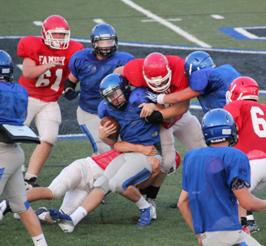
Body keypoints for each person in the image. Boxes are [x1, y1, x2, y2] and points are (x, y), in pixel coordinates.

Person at [48, 73, 162, 232]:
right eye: (109, 96)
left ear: (125, 89)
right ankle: (73, 219)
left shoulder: (139, 96)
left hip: (150, 152)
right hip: (129, 151)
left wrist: (154, 106)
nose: (114, 99)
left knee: (117, 184)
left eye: (116, 93)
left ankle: (146, 208)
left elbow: (166, 107)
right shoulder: (106, 108)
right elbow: (116, 145)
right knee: (102, 183)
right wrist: (103, 136)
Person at [114, 52, 205, 215]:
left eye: (163, 81)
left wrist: (158, 110)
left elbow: (182, 107)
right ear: (144, 76)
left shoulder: (178, 68)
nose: (159, 85)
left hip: (180, 117)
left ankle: (205, 195)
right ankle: (150, 198)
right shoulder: (134, 70)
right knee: (167, 162)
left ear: (169, 72)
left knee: (204, 153)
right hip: (159, 125)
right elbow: (116, 74)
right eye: (153, 83)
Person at [177, 108, 266, 246]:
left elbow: (182, 203)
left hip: (208, 238)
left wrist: (199, 235)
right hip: (228, 236)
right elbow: (247, 203)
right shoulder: (235, 156)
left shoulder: (191, 157)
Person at [17, 15, 84, 188]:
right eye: (56, 34)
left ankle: (29, 179)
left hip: (50, 101)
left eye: (63, 35)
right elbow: (28, 72)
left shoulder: (73, 49)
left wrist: (70, 87)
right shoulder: (34, 44)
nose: (60, 38)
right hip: (27, 97)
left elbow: (76, 73)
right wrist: (47, 65)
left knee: (49, 138)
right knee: (10, 136)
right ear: (45, 34)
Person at [224, 76, 266, 233]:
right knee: (243, 193)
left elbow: (226, 134)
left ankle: (243, 230)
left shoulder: (236, 106)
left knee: (231, 194)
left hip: (254, 162)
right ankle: (248, 219)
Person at [0, 50, 48, 246]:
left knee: (22, 206)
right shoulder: (20, 91)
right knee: (22, 206)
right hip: (15, 152)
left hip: (2, 154)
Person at [63, 23, 134, 154]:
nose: (106, 46)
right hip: (91, 112)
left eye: (110, 41)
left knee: (126, 147)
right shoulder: (81, 59)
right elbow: (70, 80)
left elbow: (137, 84)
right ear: (94, 43)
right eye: (102, 42)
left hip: (118, 111)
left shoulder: (125, 60)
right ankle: (94, 173)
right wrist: (68, 90)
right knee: (104, 149)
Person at [146, 50, 240, 113]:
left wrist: (159, 98)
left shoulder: (201, 74)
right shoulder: (227, 69)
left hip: (228, 118)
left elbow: (179, 98)